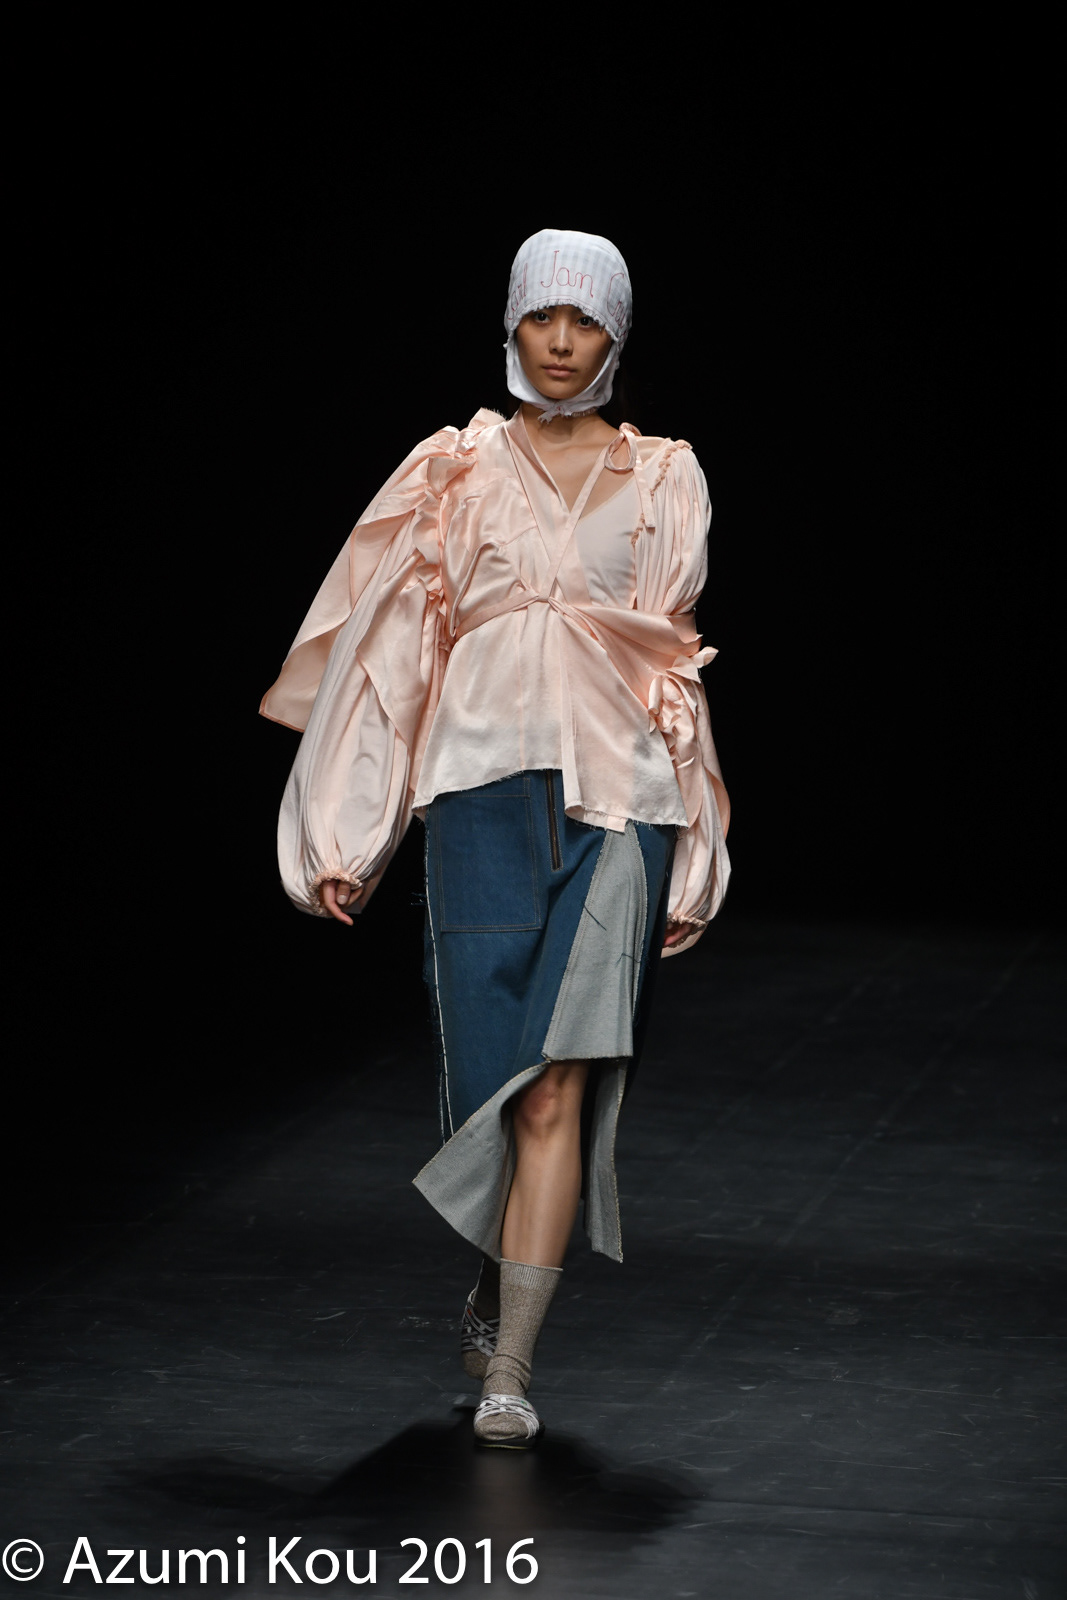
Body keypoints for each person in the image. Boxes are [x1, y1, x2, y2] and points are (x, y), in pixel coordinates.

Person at [260, 228, 730, 1448]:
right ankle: (496, 1270)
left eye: (585, 321)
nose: (561, 343)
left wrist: (699, 838)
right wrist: (349, 827)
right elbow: (390, 657)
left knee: (560, 1085)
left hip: (620, 802)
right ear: (512, 323)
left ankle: (510, 1365)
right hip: (477, 794)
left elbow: (673, 670)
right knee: (493, 1089)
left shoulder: (664, 475)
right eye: (541, 317)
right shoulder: (453, 469)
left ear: (616, 333)